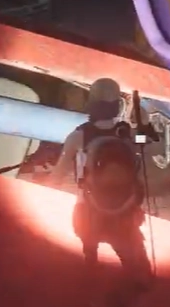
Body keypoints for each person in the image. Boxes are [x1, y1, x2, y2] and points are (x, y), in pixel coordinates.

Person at [45, 78, 156, 282]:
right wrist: (145, 123)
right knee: (136, 265)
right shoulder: (126, 132)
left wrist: (47, 181)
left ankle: (91, 265)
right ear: (117, 105)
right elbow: (147, 142)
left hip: (89, 211)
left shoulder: (78, 136)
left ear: (91, 103)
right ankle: (138, 280)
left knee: (89, 246)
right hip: (125, 209)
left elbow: (57, 176)